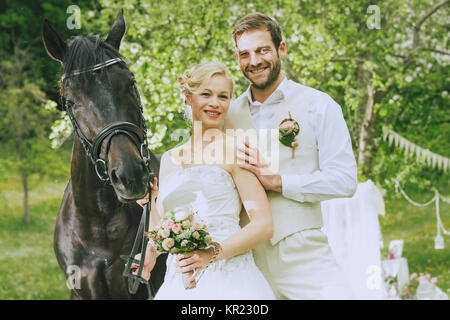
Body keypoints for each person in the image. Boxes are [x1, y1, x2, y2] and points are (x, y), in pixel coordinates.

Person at [223, 12, 358, 299]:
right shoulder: (226, 115)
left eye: (262, 50)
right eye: (244, 54)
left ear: (280, 49)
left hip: (304, 255)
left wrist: (278, 181)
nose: (254, 61)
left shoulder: (319, 105)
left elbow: (345, 180)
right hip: (244, 261)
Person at [134, 61, 276, 299]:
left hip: (231, 281)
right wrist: (149, 252)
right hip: (179, 283)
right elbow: (163, 231)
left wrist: (211, 254)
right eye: (206, 94)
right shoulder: (169, 159)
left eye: (223, 96)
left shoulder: (236, 150)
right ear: (189, 98)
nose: (215, 103)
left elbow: (263, 225)